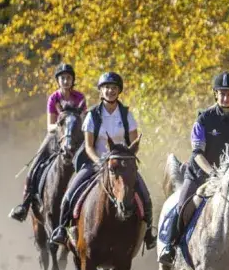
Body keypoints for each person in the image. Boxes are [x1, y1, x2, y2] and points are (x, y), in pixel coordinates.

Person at [158, 71, 229, 270]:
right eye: (221, 93)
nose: (225, 98)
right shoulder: (203, 120)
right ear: (215, 94)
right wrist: (213, 173)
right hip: (200, 174)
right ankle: (170, 247)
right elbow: (197, 153)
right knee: (182, 206)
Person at [51, 71, 156, 249]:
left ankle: (148, 235)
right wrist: (100, 162)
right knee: (70, 194)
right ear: (101, 91)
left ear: (119, 91)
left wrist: (127, 161)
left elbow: (132, 143)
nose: (110, 91)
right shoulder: (92, 115)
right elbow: (89, 146)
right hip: (96, 163)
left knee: (145, 196)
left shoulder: (126, 115)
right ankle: (61, 229)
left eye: (114, 88)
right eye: (106, 87)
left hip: (122, 166)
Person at [9, 63, 87, 221]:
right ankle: (25, 204)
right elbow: (50, 125)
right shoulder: (54, 98)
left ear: (73, 80)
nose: (66, 81)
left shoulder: (80, 98)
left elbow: (84, 121)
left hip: (76, 136)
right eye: (63, 78)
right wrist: (61, 128)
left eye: (69, 78)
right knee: (35, 164)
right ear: (58, 81)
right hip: (55, 136)